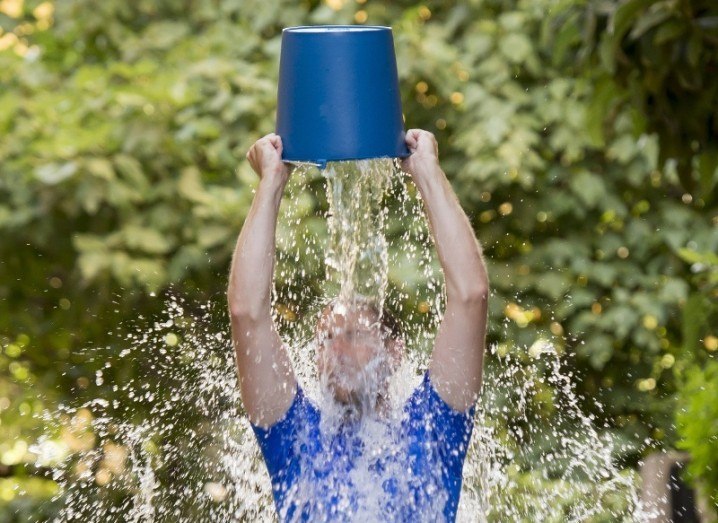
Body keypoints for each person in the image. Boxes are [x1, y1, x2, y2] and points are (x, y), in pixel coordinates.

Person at [227, 129, 489, 521]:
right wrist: (271, 183)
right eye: (326, 339)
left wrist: (427, 172)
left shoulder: (432, 429)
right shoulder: (295, 439)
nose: (337, 350)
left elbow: (471, 296)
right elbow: (247, 314)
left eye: (355, 335)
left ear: (394, 351)